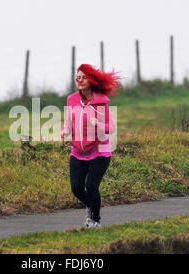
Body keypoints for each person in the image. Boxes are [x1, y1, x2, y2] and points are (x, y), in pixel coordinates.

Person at [60, 63, 120, 228]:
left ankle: (95, 220)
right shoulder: (71, 99)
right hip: (78, 151)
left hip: (99, 151)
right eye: (77, 77)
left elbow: (111, 127)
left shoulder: (101, 102)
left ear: (91, 80)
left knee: (92, 187)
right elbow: (68, 122)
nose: (79, 80)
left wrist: (97, 125)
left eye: (84, 77)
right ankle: (91, 206)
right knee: (77, 188)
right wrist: (65, 130)